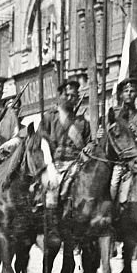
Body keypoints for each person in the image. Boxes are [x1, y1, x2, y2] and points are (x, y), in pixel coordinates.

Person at [39, 80, 91, 209]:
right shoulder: (50, 117)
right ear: (60, 96)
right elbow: (41, 141)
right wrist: (49, 165)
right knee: (52, 191)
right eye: (67, 95)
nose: (70, 98)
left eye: (73, 96)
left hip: (78, 163)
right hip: (55, 164)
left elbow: (89, 142)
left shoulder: (82, 122)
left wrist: (89, 146)